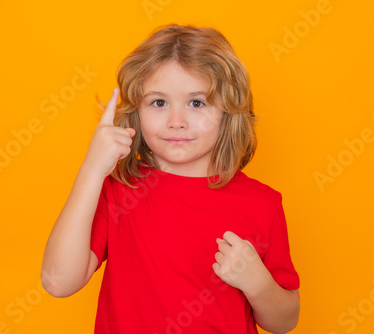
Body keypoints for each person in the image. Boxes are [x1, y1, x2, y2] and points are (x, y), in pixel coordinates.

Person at [41, 23, 300, 334]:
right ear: (136, 111)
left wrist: (258, 284)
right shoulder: (120, 191)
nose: (176, 122)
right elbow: (57, 282)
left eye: (196, 103)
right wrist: (92, 169)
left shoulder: (263, 204)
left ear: (227, 111)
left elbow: (285, 322)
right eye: (159, 103)